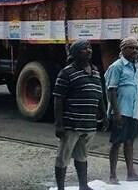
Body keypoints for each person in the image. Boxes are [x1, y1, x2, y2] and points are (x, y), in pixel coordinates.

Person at [53, 40, 105, 190]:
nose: (89, 50)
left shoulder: (95, 70)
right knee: (63, 158)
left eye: (89, 48)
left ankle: (83, 185)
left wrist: (103, 113)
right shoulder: (66, 73)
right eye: (84, 48)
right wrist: (59, 124)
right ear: (75, 53)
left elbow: (99, 94)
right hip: (71, 124)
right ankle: (61, 188)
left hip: (89, 124)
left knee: (82, 156)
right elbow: (58, 99)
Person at [104, 38, 138, 185]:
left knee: (130, 141)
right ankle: (112, 175)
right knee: (117, 142)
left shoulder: (135, 66)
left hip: (132, 111)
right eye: (131, 48)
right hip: (121, 111)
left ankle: (131, 173)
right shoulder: (117, 67)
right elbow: (111, 90)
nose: (135, 51)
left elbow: (137, 89)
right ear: (122, 50)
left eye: (136, 48)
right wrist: (116, 113)